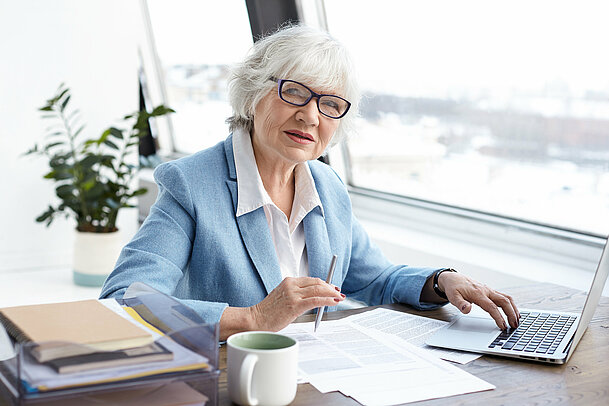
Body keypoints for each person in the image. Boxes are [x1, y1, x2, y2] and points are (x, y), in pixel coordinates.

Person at [100, 25, 519, 340]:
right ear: (252, 93)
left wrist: (441, 280)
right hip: (229, 381)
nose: (311, 116)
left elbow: (373, 280)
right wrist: (253, 319)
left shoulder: (327, 185)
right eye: (295, 92)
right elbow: (125, 300)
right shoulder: (192, 184)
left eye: (330, 104)